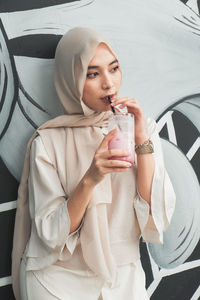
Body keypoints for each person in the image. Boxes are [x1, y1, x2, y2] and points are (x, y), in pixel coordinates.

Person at [11, 27, 176, 300]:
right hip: (58, 280)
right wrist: (91, 177)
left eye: (114, 69)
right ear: (71, 79)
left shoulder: (141, 128)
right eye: (93, 74)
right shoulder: (48, 141)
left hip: (122, 277)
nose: (109, 84)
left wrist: (141, 141)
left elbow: (153, 216)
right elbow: (50, 233)